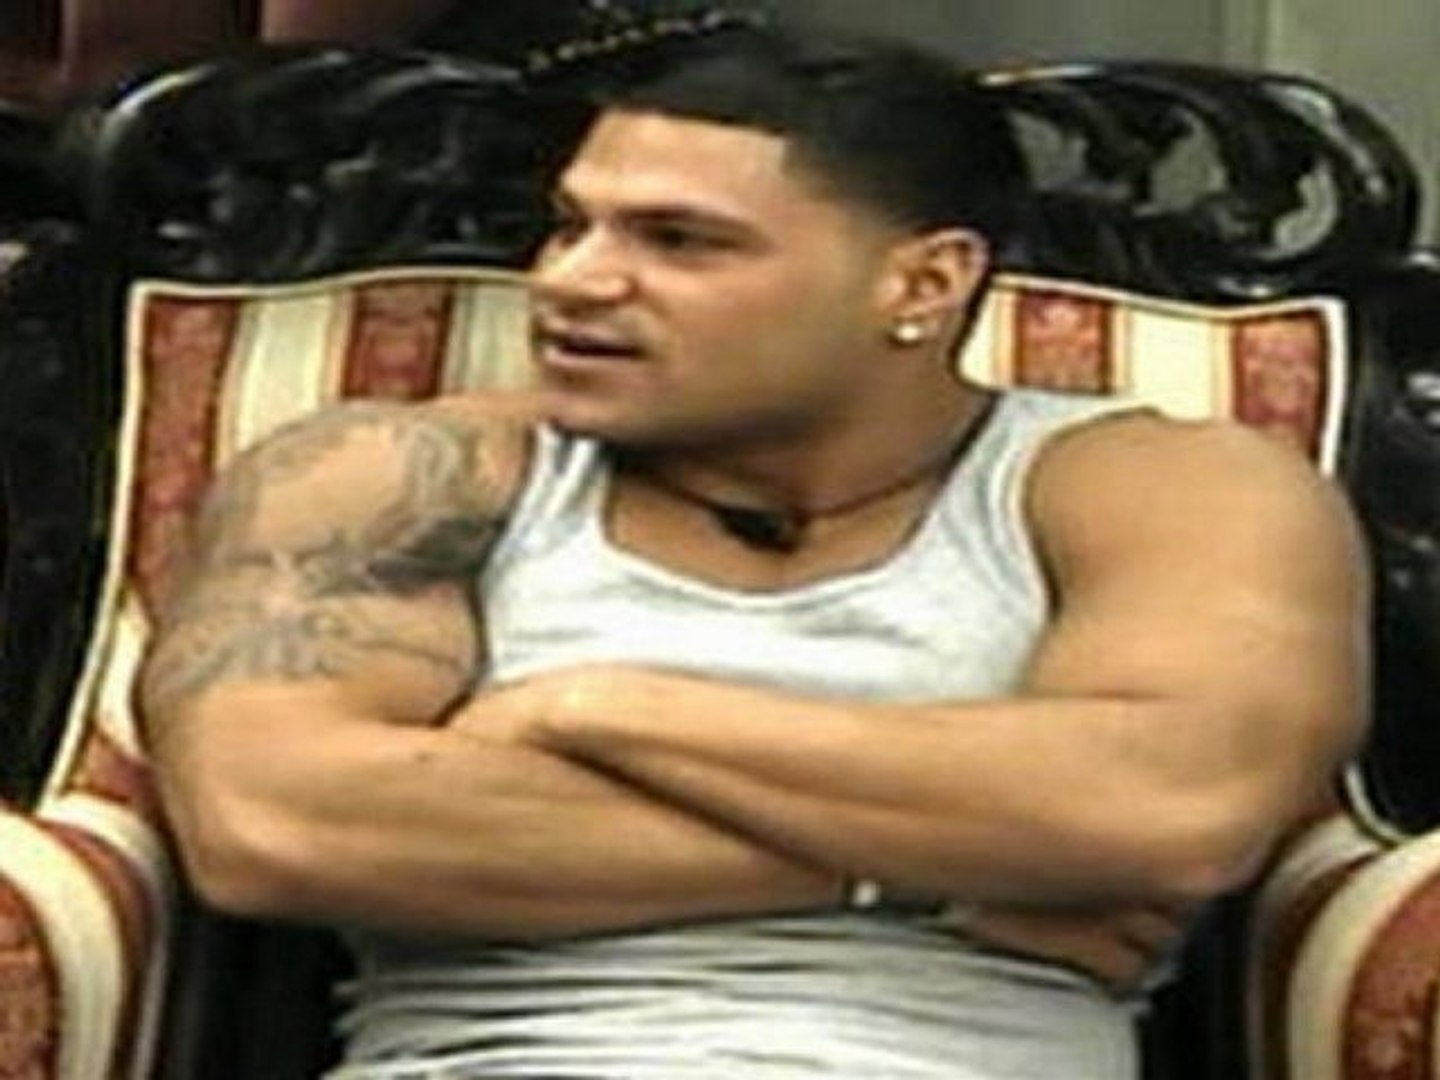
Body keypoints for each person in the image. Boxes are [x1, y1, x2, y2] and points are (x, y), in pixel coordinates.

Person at [137, 22, 1369, 1080]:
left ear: (923, 284)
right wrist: (932, 871)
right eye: (569, 226)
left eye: (679, 241)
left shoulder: (1160, 485)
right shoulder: (401, 473)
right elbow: (272, 823)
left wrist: (596, 708)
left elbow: (1172, 804)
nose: (573, 282)